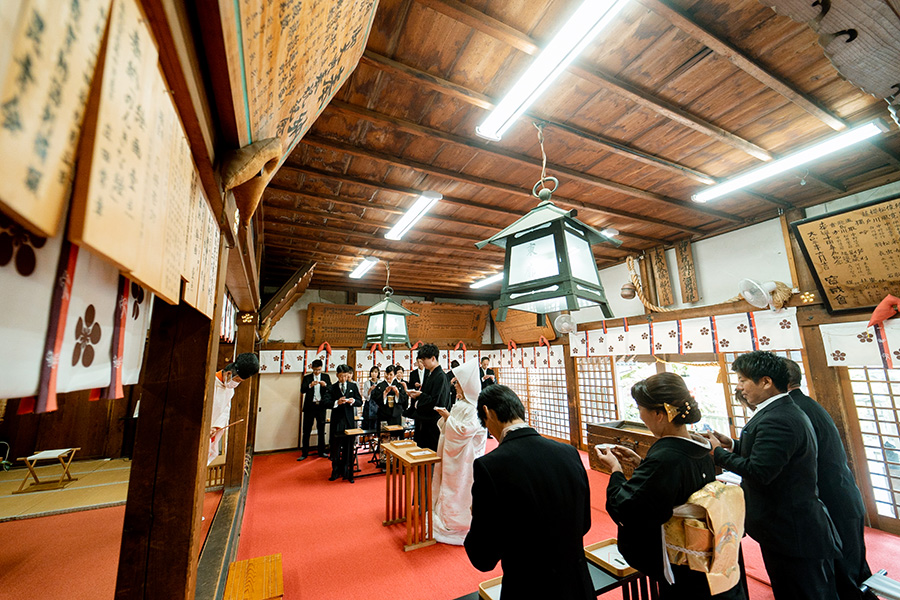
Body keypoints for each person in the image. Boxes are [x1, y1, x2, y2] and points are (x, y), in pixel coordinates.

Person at [595, 372, 746, 599]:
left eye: (640, 408)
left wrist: (615, 468)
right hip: (707, 557)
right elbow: (671, 484)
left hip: (681, 562)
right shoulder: (700, 447)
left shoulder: (666, 457)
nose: (640, 415)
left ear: (658, 414)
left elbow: (626, 507)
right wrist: (641, 464)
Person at [707, 351, 839, 600]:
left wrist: (718, 455)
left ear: (766, 381)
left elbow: (760, 471)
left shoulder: (778, 418)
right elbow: (772, 456)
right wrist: (733, 445)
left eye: (743, 380)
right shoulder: (780, 410)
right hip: (789, 524)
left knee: (801, 591)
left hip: (791, 528)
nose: (739, 387)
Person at [464, 384, 593, 600]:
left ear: (487, 412)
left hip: (528, 587)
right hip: (577, 585)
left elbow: (482, 556)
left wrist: (477, 512)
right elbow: (584, 524)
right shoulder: (569, 453)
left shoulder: (491, 466)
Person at [783, 358, 875, 600]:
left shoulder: (792, 410)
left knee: (846, 575)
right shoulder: (806, 404)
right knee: (854, 569)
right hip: (843, 493)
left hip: (832, 499)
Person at [432, 359, 487, 545]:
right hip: (452, 451)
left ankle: (457, 521)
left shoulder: (473, 407)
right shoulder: (461, 403)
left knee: (460, 488)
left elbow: (466, 431)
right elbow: (454, 427)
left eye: (458, 383)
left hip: (464, 457)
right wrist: (446, 419)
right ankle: (445, 515)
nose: (455, 386)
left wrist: (448, 418)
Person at [209, 353, 259, 465]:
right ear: (229, 373)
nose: (236, 384)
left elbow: (224, 412)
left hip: (211, 432)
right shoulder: (209, 383)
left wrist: (216, 427)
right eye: (238, 381)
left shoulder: (229, 390)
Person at [407, 343, 451, 451]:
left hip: (433, 422)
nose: (422, 363)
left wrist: (420, 395)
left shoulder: (440, 376)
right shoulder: (429, 374)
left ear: (433, 358)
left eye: (424, 360)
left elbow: (436, 401)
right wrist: (418, 395)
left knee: (432, 454)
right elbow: (427, 395)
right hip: (425, 420)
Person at [327, 364, 363, 483]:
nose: (343, 379)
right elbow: (325, 402)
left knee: (349, 447)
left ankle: (348, 471)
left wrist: (352, 401)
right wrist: (337, 402)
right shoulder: (332, 388)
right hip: (337, 421)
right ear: (337, 375)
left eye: (345, 376)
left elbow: (360, 401)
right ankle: (335, 470)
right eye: (341, 376)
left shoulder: (353, 386)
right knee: (336, 447)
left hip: (349, 421)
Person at [298, 359, 332, 461]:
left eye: (319, 370)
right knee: (306, 430)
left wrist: (325, 385)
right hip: (310, 406)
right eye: (315, 370)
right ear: (311, 368)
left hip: (321, 406)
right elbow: (302, 390)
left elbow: (331, 389)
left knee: (321, 430)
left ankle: (321, 451)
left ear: (321, 368)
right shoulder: (307, 377)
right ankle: (304, 453)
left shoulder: (326, 377)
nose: (317, 372)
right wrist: (310, 385)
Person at [361, 365, 380, 431]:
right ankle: (368, 438)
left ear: (378, 373)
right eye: (372, 372)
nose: (373, 374)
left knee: (377, 423)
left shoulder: (380, 382)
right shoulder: (367, 383)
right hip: (369, 404)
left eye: (375, 372)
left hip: (378, 404)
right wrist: (370, 390)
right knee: (368, 423)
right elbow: (365, 396)